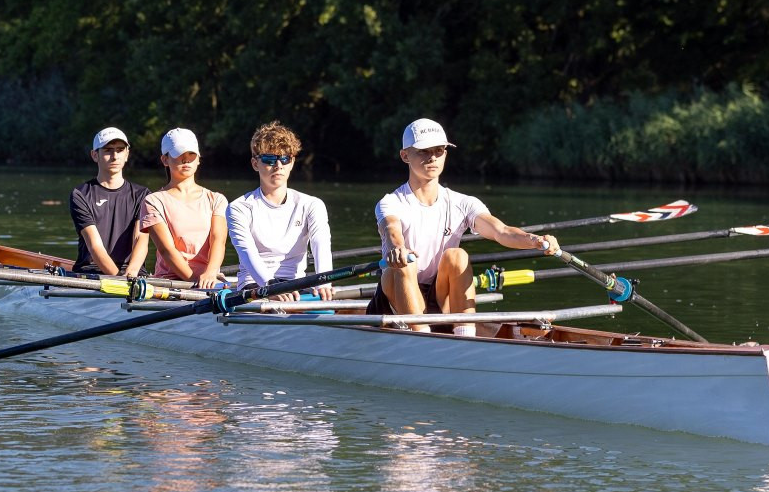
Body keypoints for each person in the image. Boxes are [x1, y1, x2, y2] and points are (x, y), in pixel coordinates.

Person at [370, 117, 559, 333]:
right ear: (405, 155)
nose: (432, 157)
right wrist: (396, 248)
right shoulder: (390, 202)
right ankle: (420, 336)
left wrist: (534, 240)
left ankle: (465, 336)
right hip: (396, 293)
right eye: (423, 151)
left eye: (439, 150)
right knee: (404, 265)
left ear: (445, 154)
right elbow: (391, 230)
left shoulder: (463, 203)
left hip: (439, 295)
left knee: (457, 256)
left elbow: (502, 231)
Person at [227, 121, 333, 300]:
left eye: (285, 159)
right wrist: (269, 285)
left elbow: (320, 245)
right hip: (255, 286)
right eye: (269, 159)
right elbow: (247, 254)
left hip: (297, 285)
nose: (278, 165)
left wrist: (324, 282)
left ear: (291, 163)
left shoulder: (312, 205)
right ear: (255, 163)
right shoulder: (239, 208)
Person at [140, 127, 229, 287]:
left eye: (191, 154)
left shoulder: (216, 199)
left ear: (199, 159)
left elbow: (218, 240)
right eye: (179, 154)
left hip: (209, 279)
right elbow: (167, 251)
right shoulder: (153, 201)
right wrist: (196, 281)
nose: (186, 160)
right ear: (165, 160)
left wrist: (210, 273)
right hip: (171, 283)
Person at [69, 126, 150, 277]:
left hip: (133, 275)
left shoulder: (142, 194)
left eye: (120, 150)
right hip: (93, 273)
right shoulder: (80, 194)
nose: (115, 156)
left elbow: (141, 239)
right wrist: (119, 280)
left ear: (127, 154)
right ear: (94, 155)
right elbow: (95, 246)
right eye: (108, 150)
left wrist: (131, 274)